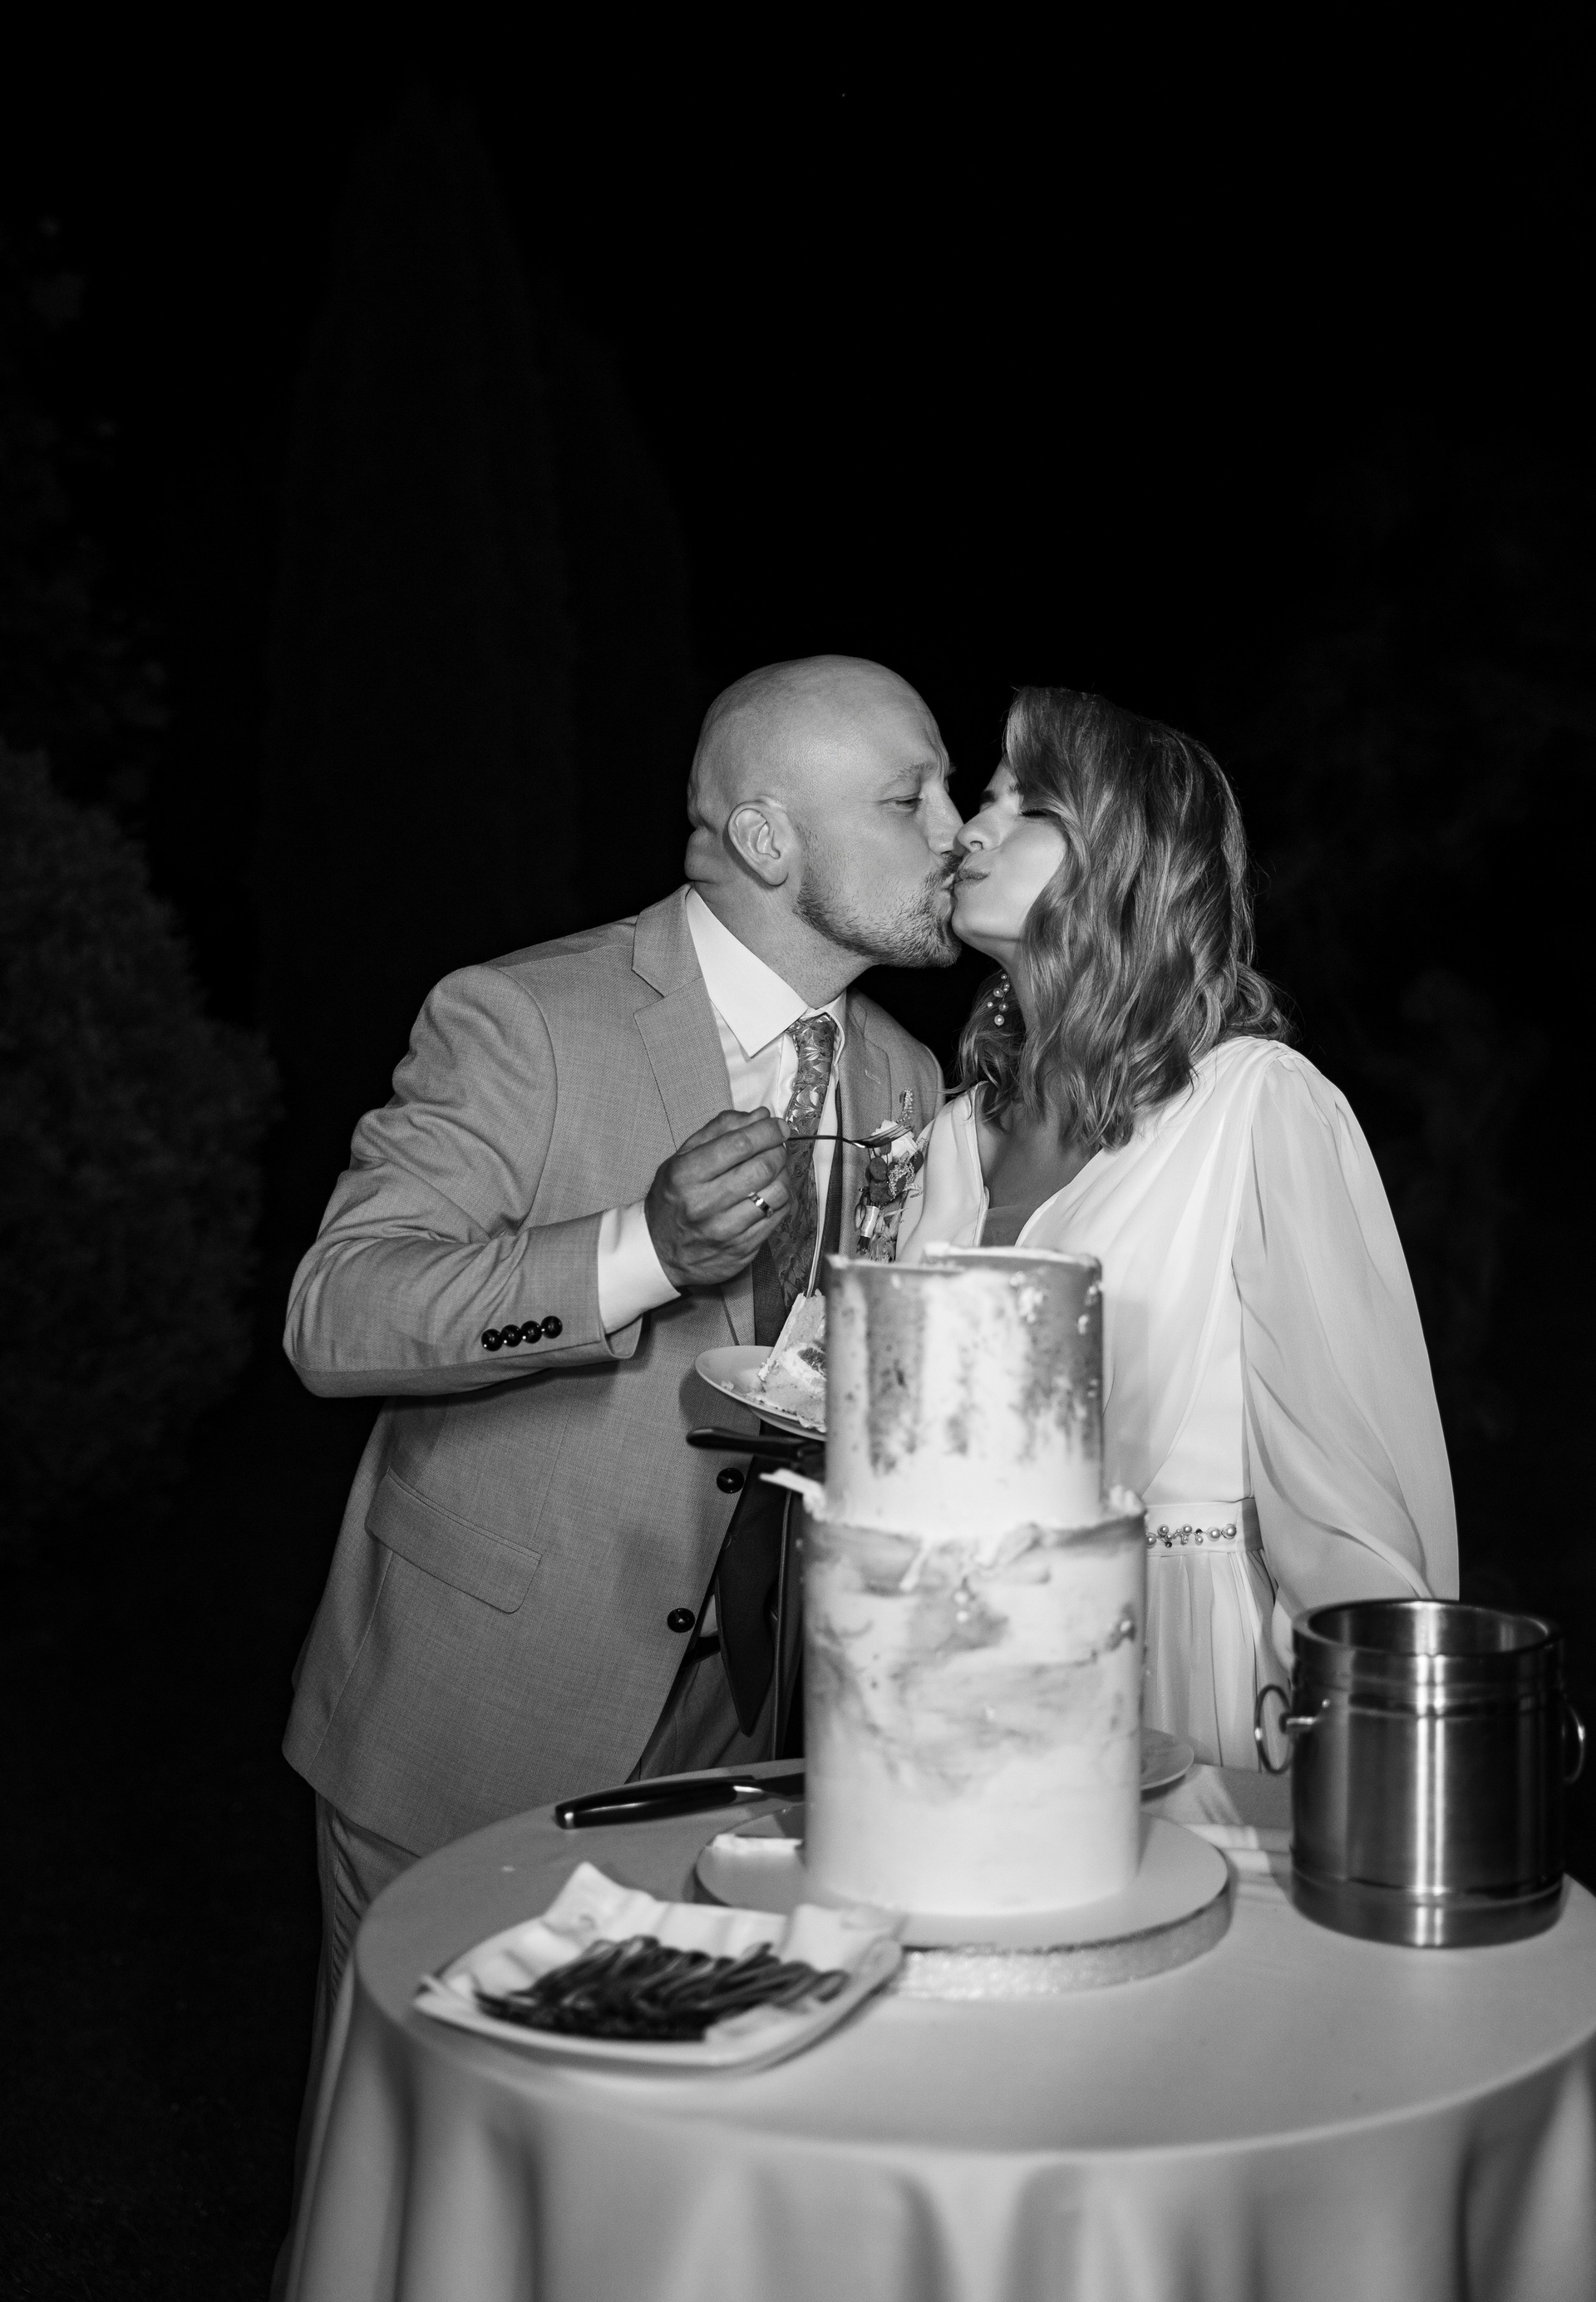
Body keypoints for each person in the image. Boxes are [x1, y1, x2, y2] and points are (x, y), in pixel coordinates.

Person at [280, 654, 954, 2023]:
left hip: (739, 1744)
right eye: (910, 800)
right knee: (429, 2130)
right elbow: (337, 1310)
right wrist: (641, 1251)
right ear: (766, 839)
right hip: (482, 1722)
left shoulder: (904, 1074)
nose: (957, 831)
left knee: (645, 2122)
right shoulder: (525, 1016)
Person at [898, 686, 1458, 1766]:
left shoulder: (1257, 1105)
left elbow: (1347, 1500)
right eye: (986, 799)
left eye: (1025, 805)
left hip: (1193, 1671)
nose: (970, 830)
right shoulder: (951, 1137)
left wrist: (1388, 1751)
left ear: (1127, 857)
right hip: (970, 1671)